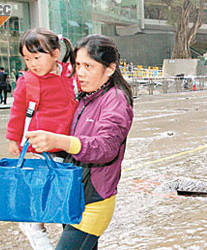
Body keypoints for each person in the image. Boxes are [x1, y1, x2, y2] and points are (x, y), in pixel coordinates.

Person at [25, 34, 134, 250]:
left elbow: (105, 148)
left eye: (88, 66)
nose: (81, 73)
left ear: (110, 68)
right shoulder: (87, 96)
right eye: (77, 65)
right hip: (74, 195)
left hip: (94, 202)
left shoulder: (115, 101)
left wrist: (61, 141)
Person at [5, 27, 77, 250]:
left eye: (37, 57)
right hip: (38, 152)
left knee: (61, 209)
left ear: (55, 54)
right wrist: (12, 140)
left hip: (68, 152)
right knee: (31, 216)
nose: (32, 63)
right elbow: (17, 112)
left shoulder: (72, 75)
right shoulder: (27, 81)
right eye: (27, 59)